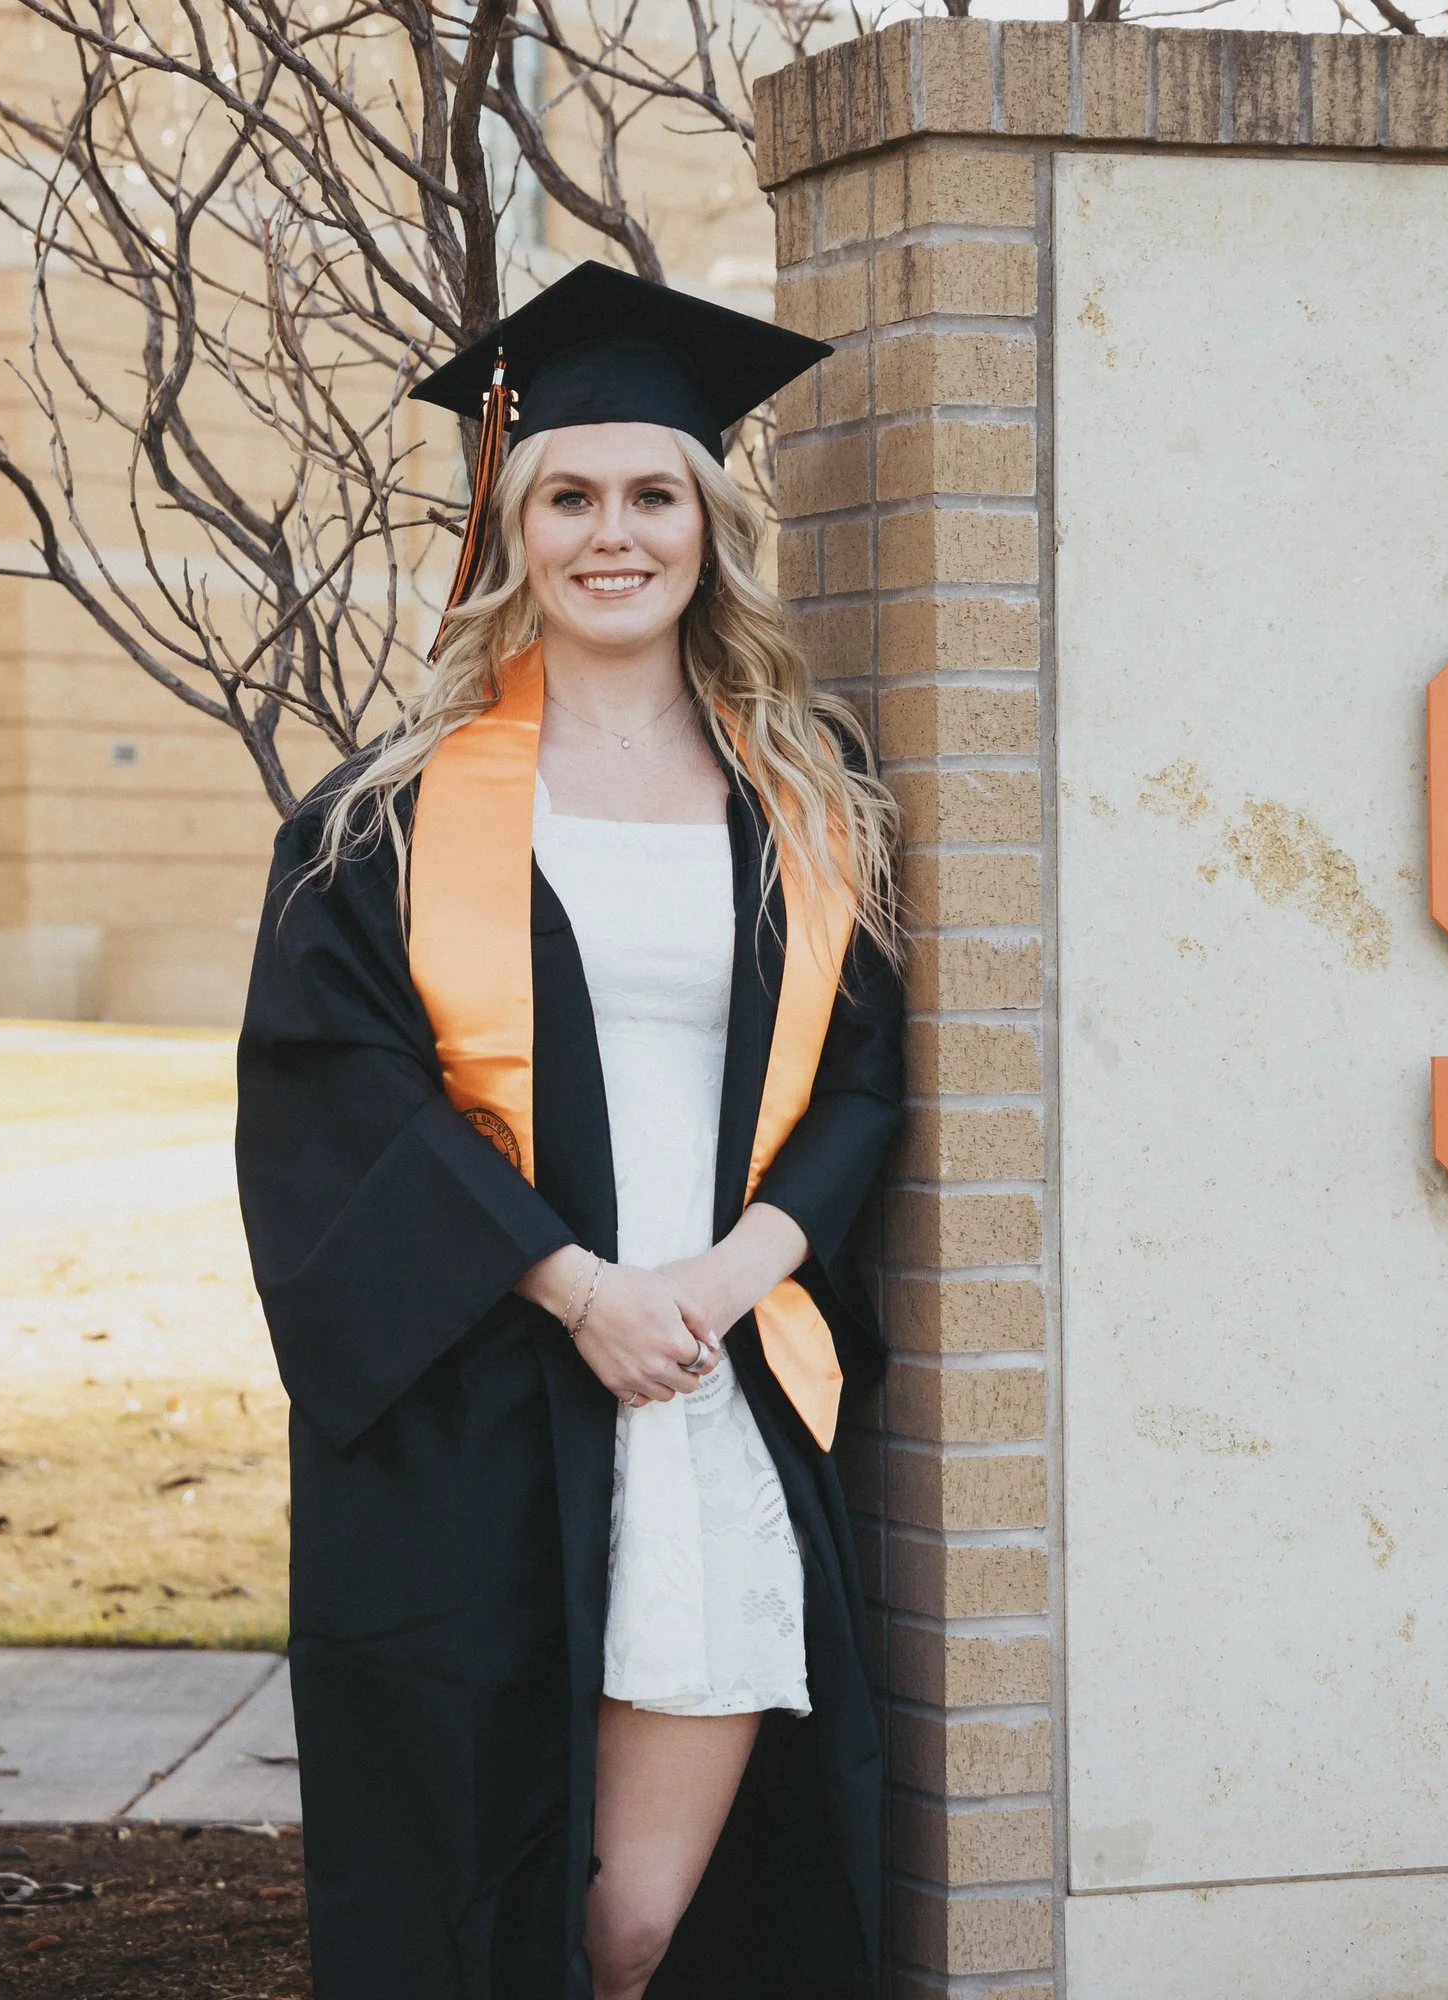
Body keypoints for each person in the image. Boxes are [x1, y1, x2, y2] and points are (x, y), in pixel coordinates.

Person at [234, 263, 904, 2000]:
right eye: (572, 496)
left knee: (635, 1927)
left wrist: (726, 1278)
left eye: (654, 494)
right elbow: (338, 1102)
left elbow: (863, 1084)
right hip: (489, 1406)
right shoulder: (381, 819)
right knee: (489, 1898)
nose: (616, 535)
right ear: (514, 526)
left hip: (715, 1387)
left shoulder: (810, 791)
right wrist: (578, 1290)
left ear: (710, 520)